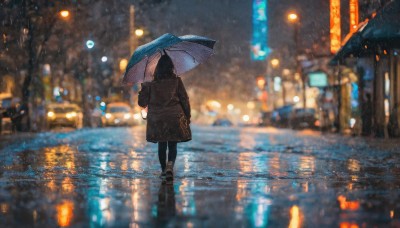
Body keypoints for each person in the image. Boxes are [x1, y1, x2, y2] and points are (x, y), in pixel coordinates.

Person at [138, 54, 191, 182]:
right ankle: (170, 166)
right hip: (174, 116)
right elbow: (184, 99)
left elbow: (142, 103)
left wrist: (143, 88)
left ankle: (163, 170)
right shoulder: (176, 81)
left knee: (162, 145)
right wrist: (187, 115)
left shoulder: (151, 83)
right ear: (172, 67)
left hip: (157, 118)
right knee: (173, 144)